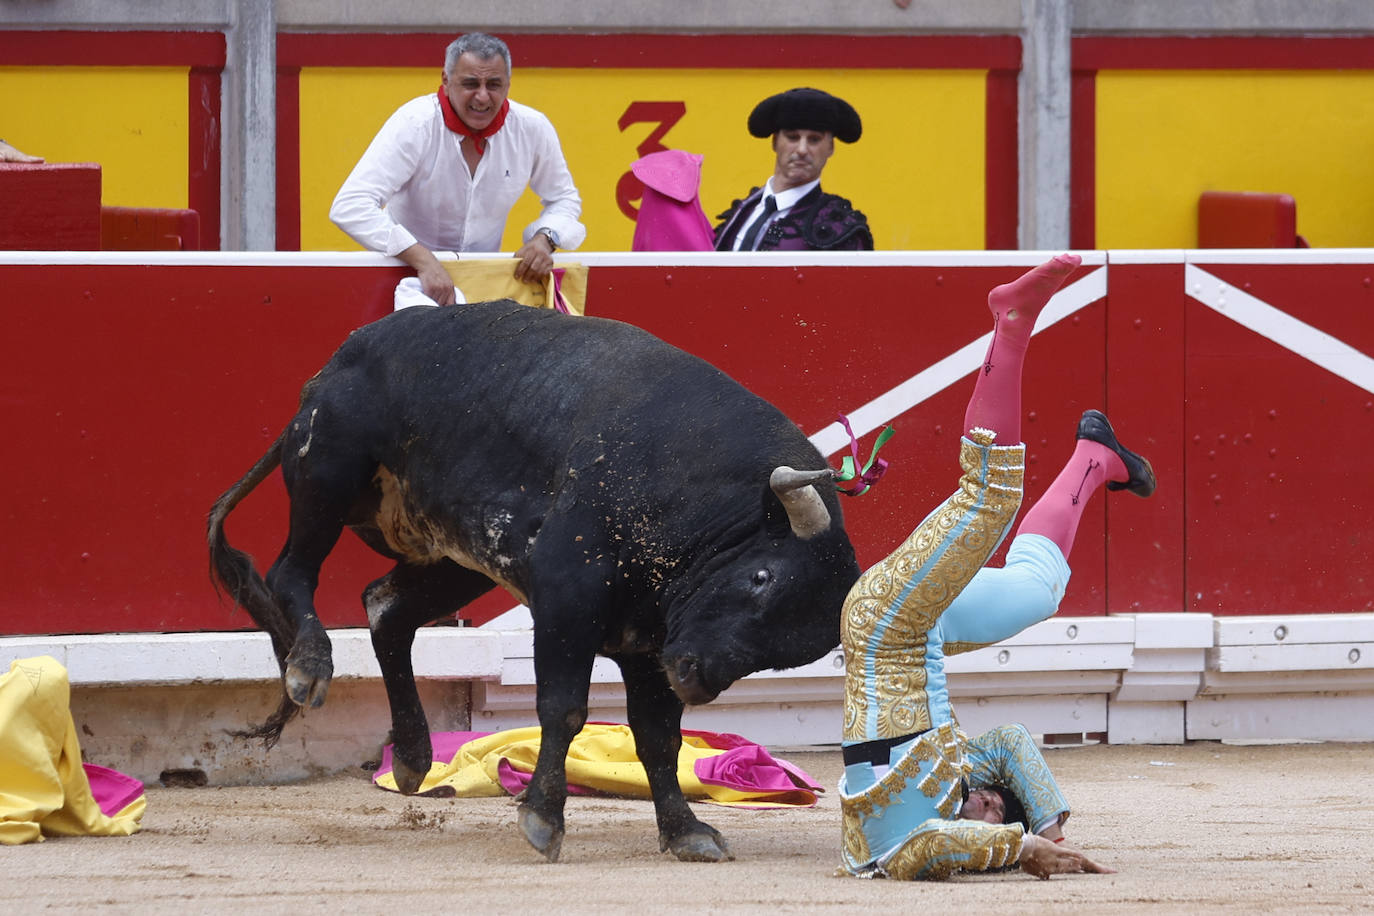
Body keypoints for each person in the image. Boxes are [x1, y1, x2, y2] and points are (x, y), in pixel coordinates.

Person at [838, 253, 1155, 881]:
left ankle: (1009, 325)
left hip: (889, 627)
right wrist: (1048, 828)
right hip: (920, 626)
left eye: (991, 812)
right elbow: (1009, 741)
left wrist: (1026, 849)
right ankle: (1095, 460)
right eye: (997, 805)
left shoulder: (900, 845)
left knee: (988, 497)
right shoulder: (955, 780)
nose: (990, 804)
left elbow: (933, 849)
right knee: (1040, 588)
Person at [329, 32, 585, 307]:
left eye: (494, 84)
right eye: (471, 83)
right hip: (404, 280)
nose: (483, 97)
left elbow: (564, 200)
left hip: (485, 290)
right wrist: (422, 258)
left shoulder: (532, 128)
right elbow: (350, 206)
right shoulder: (415, 123)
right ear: (446, 81)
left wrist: (545, 238)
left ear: (509, 84)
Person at [712, 87, 873, 252]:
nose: (802, 149)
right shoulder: (744, 210)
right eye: (792, 137)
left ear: (830, 147)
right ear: (775, 142)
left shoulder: (839, 229)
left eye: (814, 140)